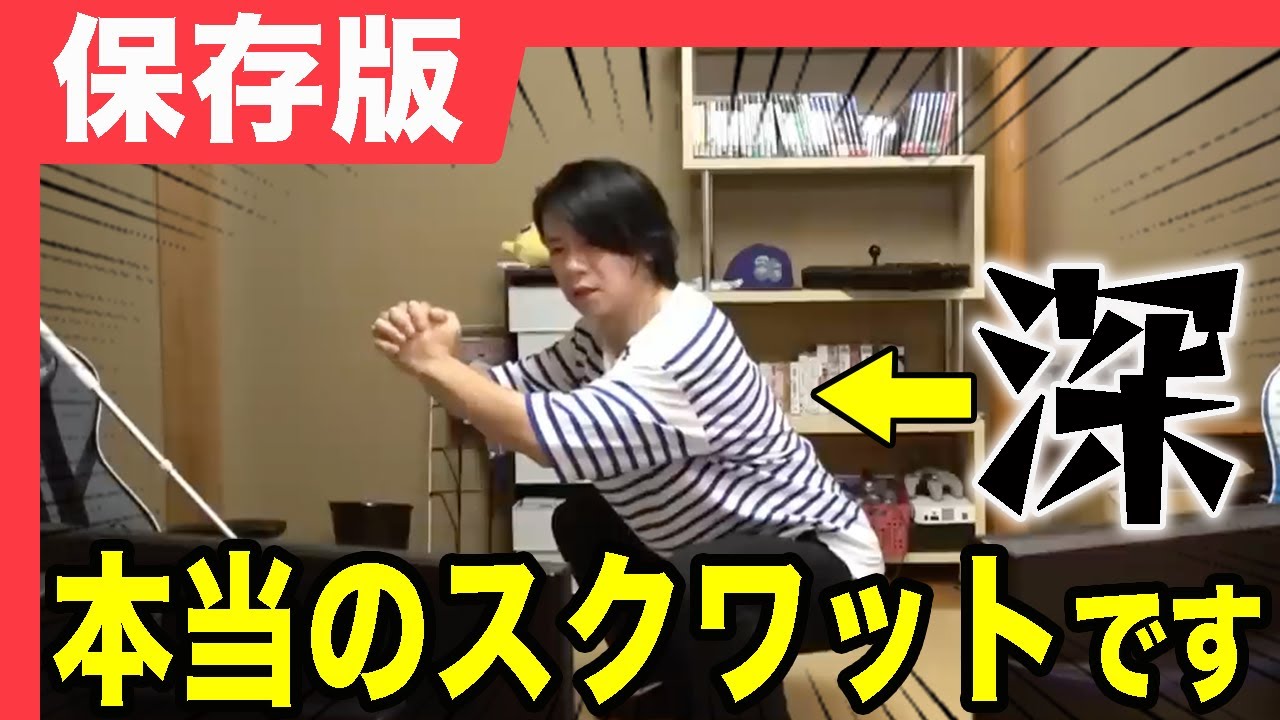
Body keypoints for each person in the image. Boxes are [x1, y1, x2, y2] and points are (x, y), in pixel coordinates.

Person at [371, 158, 884, 720]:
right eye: (559, 248)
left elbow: (539, 434)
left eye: (594, 244)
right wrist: (439, 359)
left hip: (829, 569)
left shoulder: (679, 346)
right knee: (582, 519)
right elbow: (503, 393)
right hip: (723, 547)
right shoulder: (601, 333)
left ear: (644, 245)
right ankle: (661, 678)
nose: (572, 266)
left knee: (709, 584)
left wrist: (436, 365)